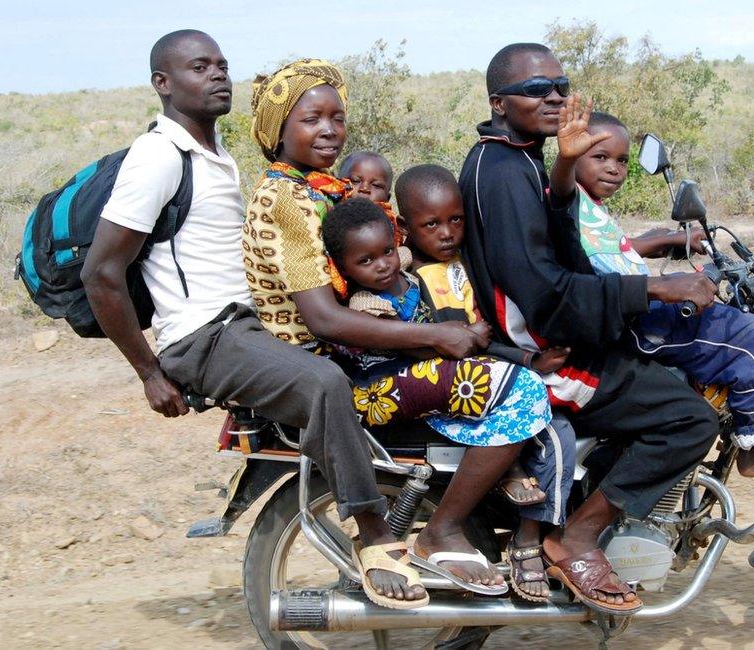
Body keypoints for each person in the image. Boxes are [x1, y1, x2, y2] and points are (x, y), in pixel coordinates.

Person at [81, 32, 427, 611]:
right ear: (162, 84)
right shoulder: (160, 156)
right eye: (198, 67)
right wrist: (147, 371)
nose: (217, 75)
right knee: (325, 385)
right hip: (204, 336)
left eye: (222, 64)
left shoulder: (214, 158)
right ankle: (373, 536)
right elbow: (102, 273)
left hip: (241, 328)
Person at [243, 59, 526, 594]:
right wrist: (435, 336)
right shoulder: (287, 199)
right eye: (311, 119)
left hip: (353, 353)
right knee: (518, 389)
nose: (328, 130)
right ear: (278, 129)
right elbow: (325, 317)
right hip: (341, 365)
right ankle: (444, 530)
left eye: (336, 117)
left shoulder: (316, 189)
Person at [459, 42, 720, 614]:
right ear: (499, 102)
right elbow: (543, 291)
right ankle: (574, 538)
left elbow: (561, 246)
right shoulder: (501, 171)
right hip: (545, 353)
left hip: (558, 334)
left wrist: (560, 169)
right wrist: (651, 287)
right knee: (690, 419)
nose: (552, 96)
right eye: (535, 89)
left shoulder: (519, 158)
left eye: (560, 85)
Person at [549, 101, 754, 477]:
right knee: (753, 334)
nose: (613, 168)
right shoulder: (567, 199)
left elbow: (603, 250)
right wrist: (667, 282)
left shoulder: (591, 206)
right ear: (573, 156)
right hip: (633, 320)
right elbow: (575, 224)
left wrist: (664, 240)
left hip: (630, 309)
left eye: (622, 161)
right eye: (600, 157)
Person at [394, 163, 575, 601]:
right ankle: (530, 539)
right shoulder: (407, 282)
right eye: (431, 224)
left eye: (455, 220)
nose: (446, 233)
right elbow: (431, 345)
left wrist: (528, 357)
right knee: (554, 431)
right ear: (404, 227)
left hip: (478, 376)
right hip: (445, 391)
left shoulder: (461, 268)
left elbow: (483, 336)